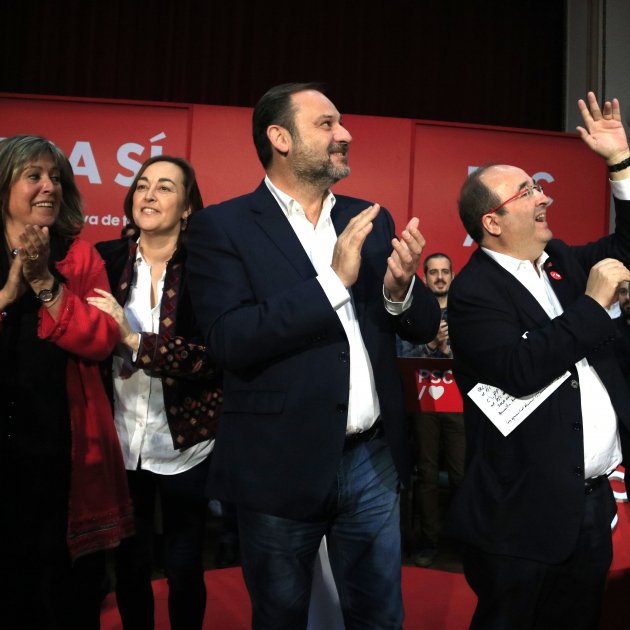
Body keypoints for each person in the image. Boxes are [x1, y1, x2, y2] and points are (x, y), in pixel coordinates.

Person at [185, 82, 441, 629]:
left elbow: (421, 325)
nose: (344, 134)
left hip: (371, 460)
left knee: (380, 616)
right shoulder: (221, 227)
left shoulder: (369, 218)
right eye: (326, 124)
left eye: (340, 123)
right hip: (279, 464)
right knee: (281, 616)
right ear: (280, 138)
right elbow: (229, 338)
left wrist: (400, 290)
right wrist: (332, 283)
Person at [446, 92, 630, 629]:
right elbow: (520, 369)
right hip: (521, 516)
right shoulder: (474, 292)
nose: (543, 196)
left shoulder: (560, 262)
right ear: (493, 221)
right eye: (527, 191)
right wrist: (593, 305)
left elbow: (627, 247)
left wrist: (620, 165)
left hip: (590, 505)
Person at [0, 135, 134, 629]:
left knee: (62, 586)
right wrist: (9, 292)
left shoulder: (79, 257)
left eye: (56, 178)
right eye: (34, 176)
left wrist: (43, 283)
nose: (49, 187)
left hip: (62, 449)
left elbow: (100, 340)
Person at [89, 155, 222, 630]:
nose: (148, 194)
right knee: (130, 564)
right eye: (142, 184)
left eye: (165, 187)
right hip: (120, 439)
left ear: (187, 207)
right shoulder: (104, 259)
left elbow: (212, 357)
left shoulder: (208, 270)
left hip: (186, 444)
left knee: (185, 566)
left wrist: (132, 340)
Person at [399, 253, 465, 567]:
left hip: (459, 404)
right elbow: (401, 353)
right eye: (433, 272)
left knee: (461, 474)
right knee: (425, 474)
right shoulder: (414, 312)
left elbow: (477, 355)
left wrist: (449, 348)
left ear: (452, 275)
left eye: (445, 272)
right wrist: (430, 345)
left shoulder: (465, 312)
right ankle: (429, 541)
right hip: (423, 402)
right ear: (424, 277)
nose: (439, 277)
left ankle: (465, 542)